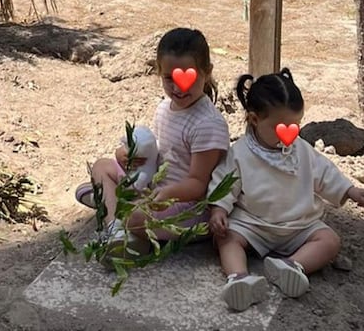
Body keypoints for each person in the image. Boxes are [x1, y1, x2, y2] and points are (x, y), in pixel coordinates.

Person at [209, 68, 364, 312]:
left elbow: (325, 173)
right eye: (281, 127)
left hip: (299, 225)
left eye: (296, 126)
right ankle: (239, 278)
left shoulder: (300, 149)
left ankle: (291, 266)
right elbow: (224, 182)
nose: (290, 135)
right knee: (226, 239)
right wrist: (219, 208)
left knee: (329, 241)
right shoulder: (239, 154)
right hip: (254, 224)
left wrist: (350, 191)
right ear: (254, 120)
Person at [75, 27, 230, 251]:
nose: (178, 88)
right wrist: (126, 156)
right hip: (156, 191)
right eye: (169, 79)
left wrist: (166, 194)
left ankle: (122, 219)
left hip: (189, 207)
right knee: (100, 167)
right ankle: (116, 228)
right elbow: (156, 153)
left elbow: (198, 184)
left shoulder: (208, 124)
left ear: (207, 72)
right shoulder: (165, 108)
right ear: (159, 72)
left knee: (129, 213)